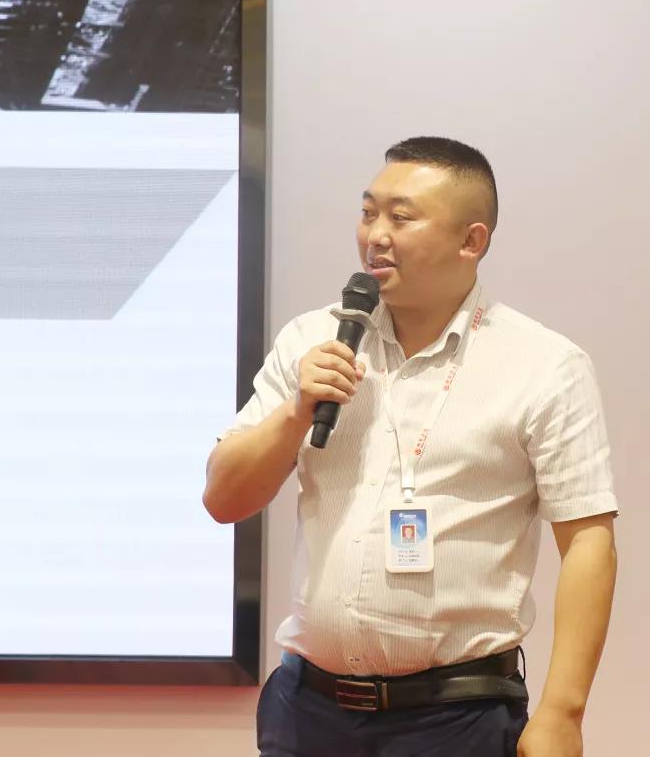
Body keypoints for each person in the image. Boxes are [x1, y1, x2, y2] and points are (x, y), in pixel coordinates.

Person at [203, 137, 618, 757]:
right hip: (307, 711)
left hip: (457, 718)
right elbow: (224, 498)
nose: (376, 235)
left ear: (471, 241)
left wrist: (563, 711)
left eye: (401, 218)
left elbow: (587, 541)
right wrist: (294, 414)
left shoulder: (544, 366)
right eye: (368, 212)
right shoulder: (314, 340)